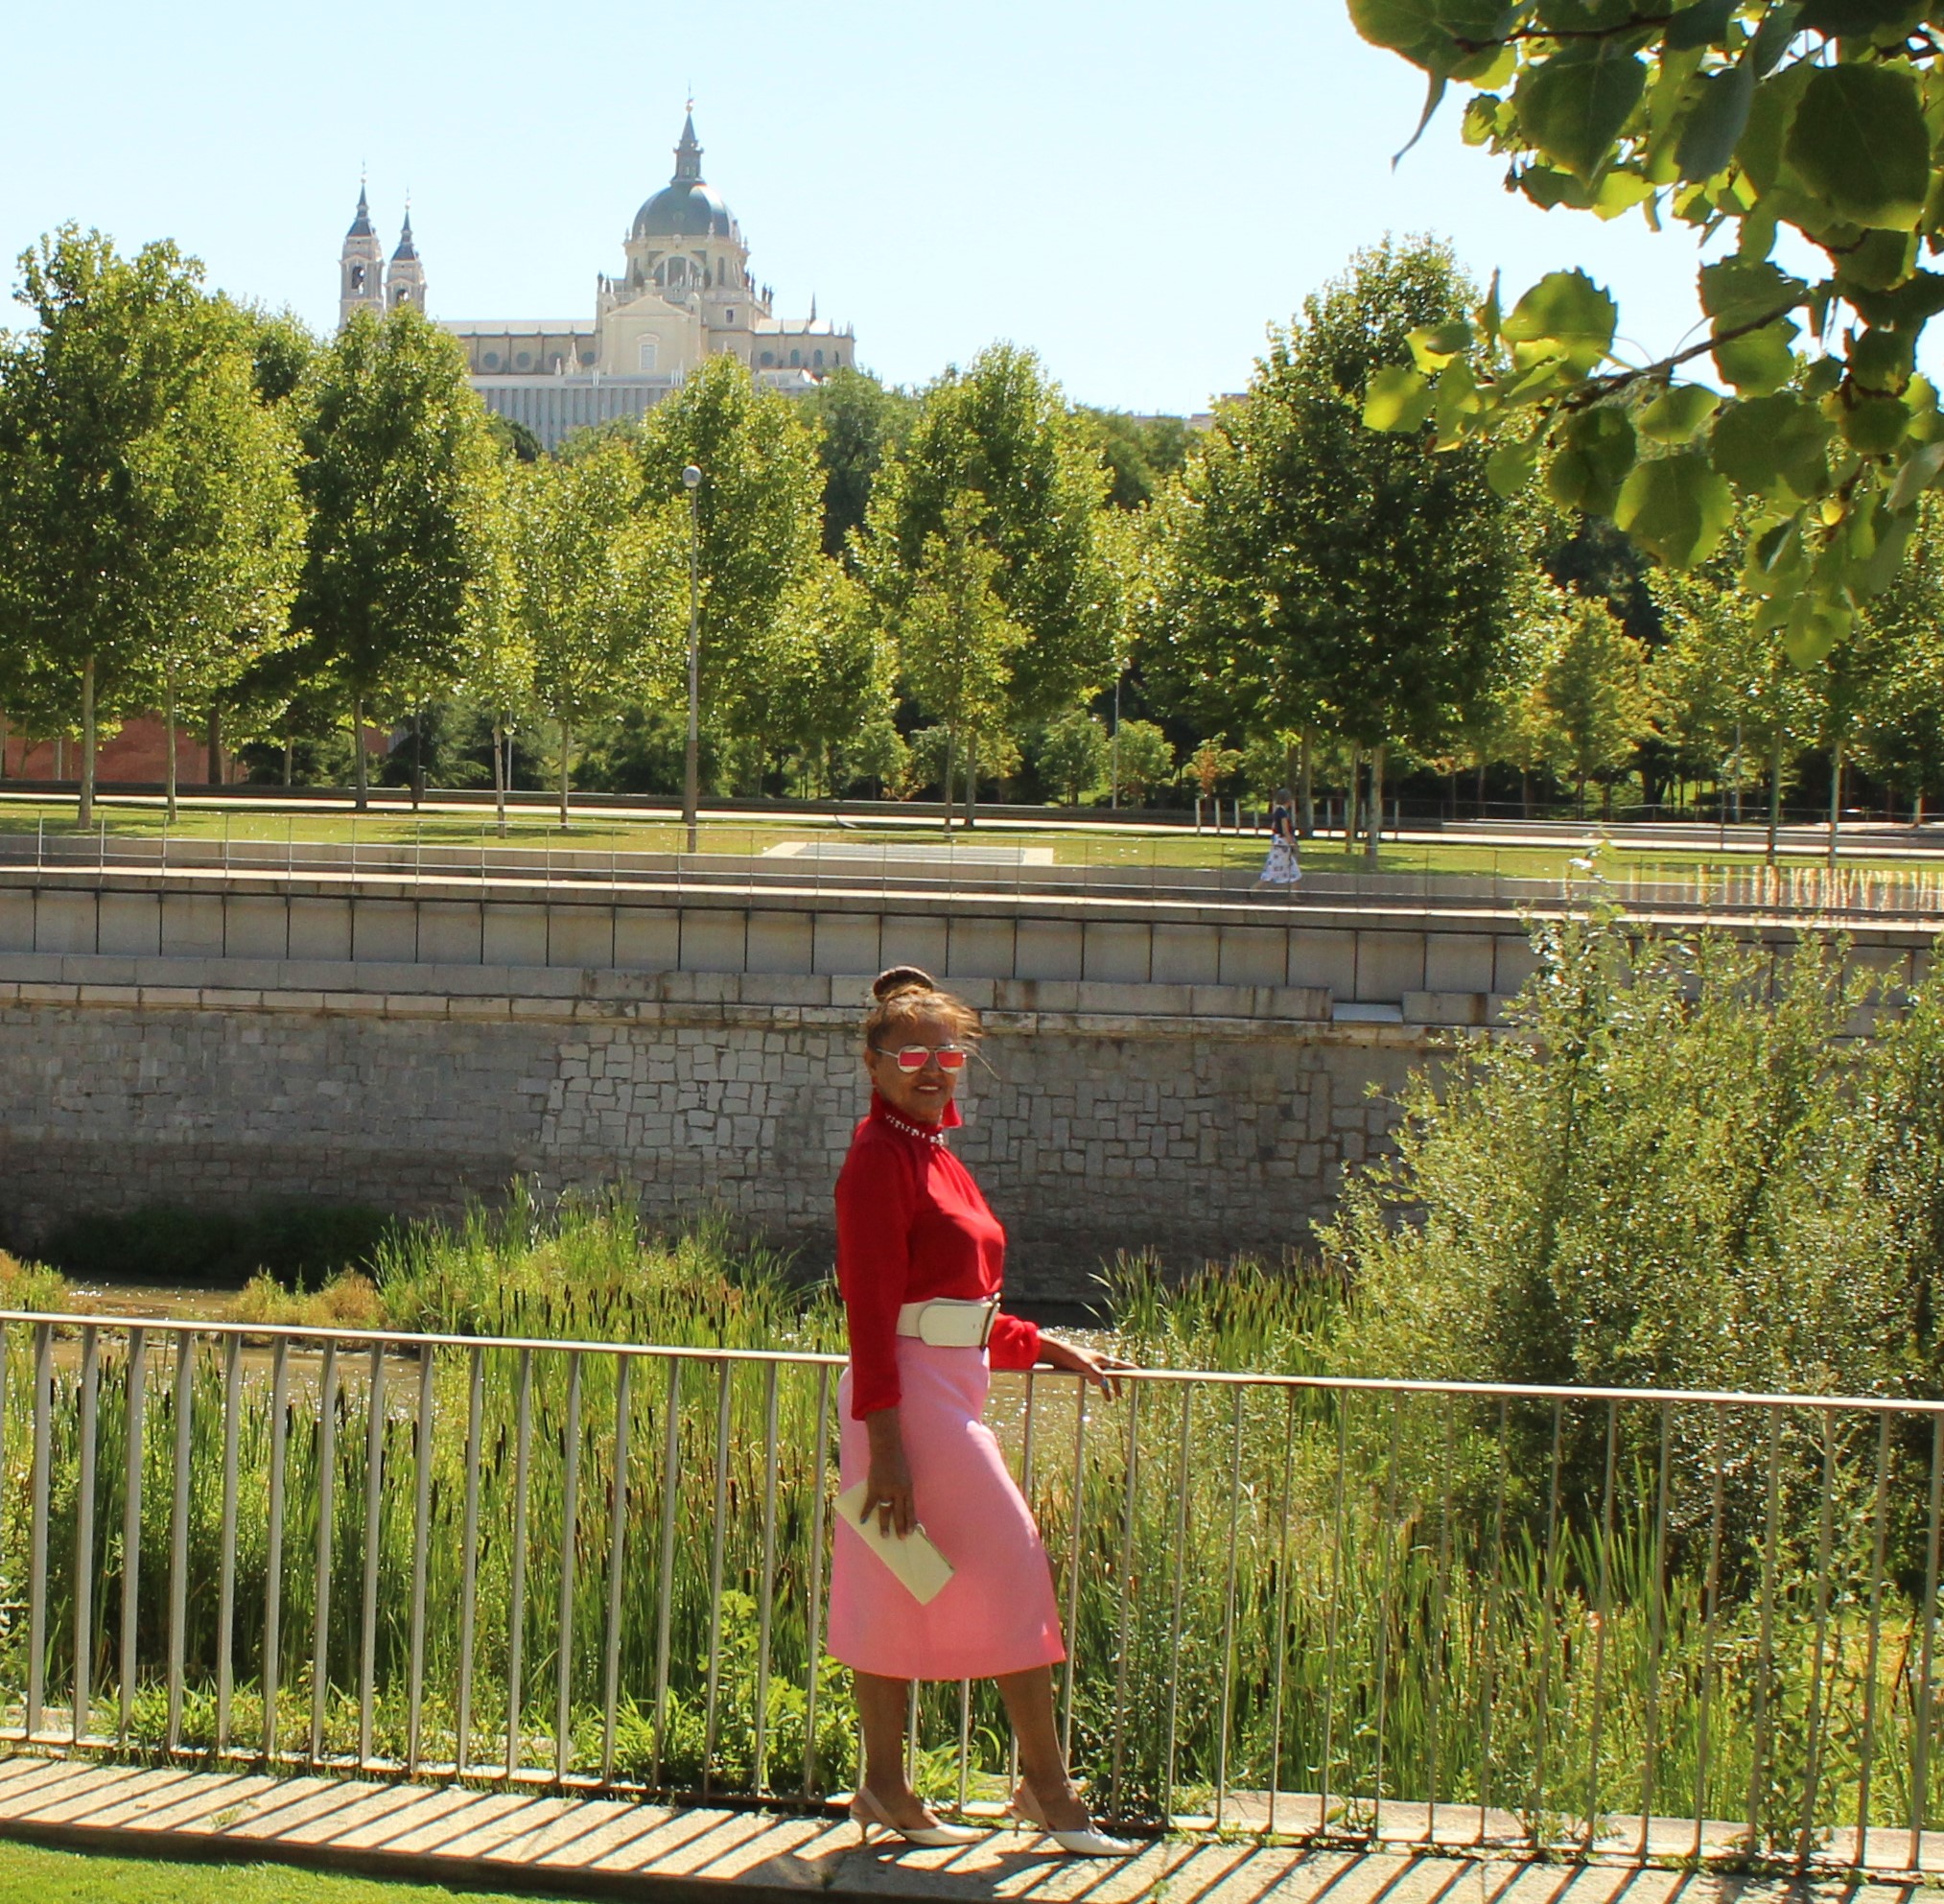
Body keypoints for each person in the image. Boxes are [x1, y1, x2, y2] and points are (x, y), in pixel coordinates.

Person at [830, 966, 1136, 1857]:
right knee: (1012, 1560)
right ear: (874, 1063)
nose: (934, 1068)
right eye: (913, 1052)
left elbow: (958, 1305)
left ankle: (883, 1787)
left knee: (900, 1577)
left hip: (941, 1386)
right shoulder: (876, 1160)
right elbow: (874, 1315)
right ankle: (1050, 1793)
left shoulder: (934, 1156)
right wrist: (885, 1450)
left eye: (950, 1051)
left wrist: (1044, 1345)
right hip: (905, 1404)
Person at [1253, 787, 1302, 891]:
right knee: (1273, 870)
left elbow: (1274, 827)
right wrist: (1293, 844)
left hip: (1278, 842)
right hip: (1282, 844)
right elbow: (1285, 831)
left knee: (1293, 870)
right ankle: (1253, 889)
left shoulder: (1277, 812)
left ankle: (1293, 895)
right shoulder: (1283, 813)